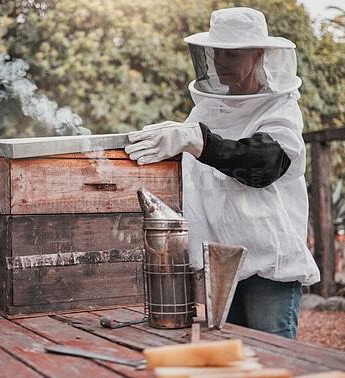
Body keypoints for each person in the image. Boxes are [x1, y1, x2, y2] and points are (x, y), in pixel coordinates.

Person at [125, 7, 320, 339]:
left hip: (267, 263)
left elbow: (264, 163)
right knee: (230, 353)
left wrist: (201, 142)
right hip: (219, 260)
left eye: (232, 53)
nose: (220, 62)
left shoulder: (280, 108)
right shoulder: (204, 110)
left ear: (259, 54)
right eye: (216, 53)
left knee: (270, 357)